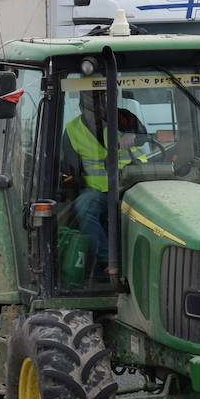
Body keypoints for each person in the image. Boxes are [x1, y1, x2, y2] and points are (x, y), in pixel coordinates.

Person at [62, 96, 149, 275]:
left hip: (134, 183)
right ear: (80, 106)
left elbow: (142, 134)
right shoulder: (72, 129)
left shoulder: (123, 117)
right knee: (84, 207)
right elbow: (71, 168)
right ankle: (109, 260)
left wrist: (132, 134)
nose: (98, 109)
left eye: (101, 102)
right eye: (92, 105)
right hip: (98, 190)